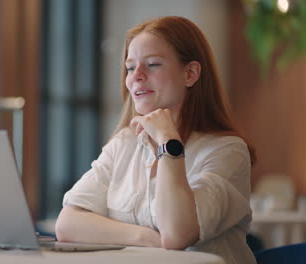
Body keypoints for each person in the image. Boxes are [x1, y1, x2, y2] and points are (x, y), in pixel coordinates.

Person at [55, 16, 256, 264]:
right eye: (130, 67)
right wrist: (145, 238)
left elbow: (176, 236)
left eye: (152, 64)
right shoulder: (124, 144)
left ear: (190, 73)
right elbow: (68, 223)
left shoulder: (228, 151)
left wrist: (168, 141)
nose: (136, 76)